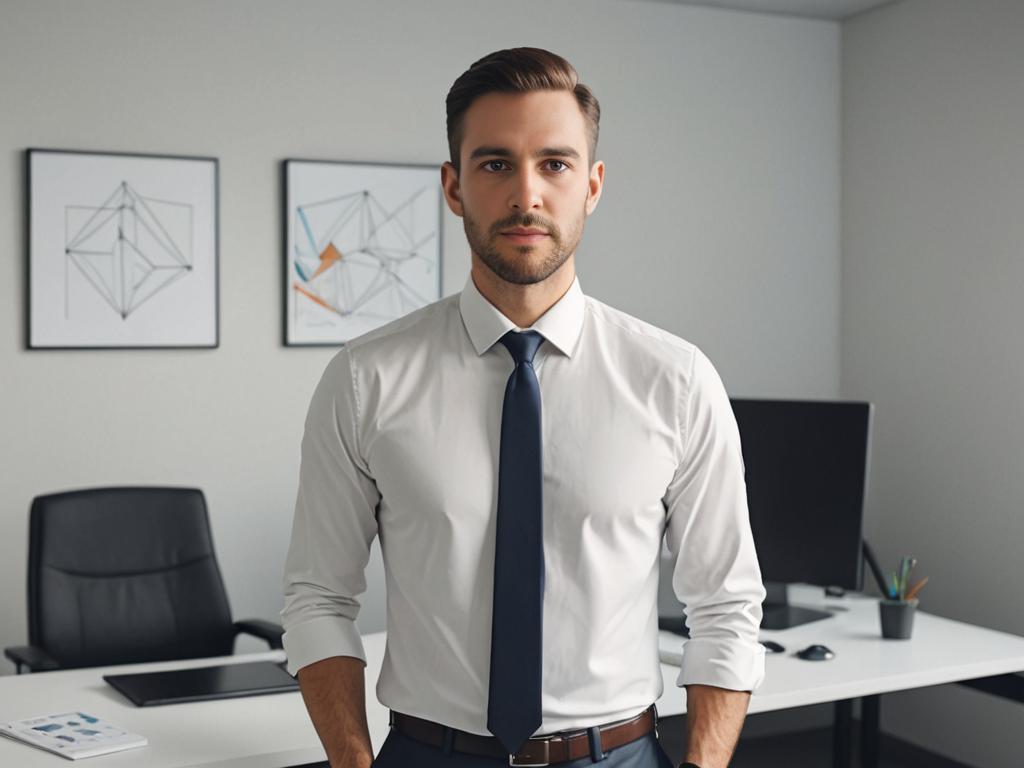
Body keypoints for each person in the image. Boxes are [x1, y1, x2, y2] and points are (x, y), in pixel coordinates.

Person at [281, 47, 766, 768]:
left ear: (593, 185)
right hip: (428, 754)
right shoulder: (364, 380)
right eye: (496, 164)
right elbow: (317, 599)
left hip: (620, 756)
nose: (527, 194)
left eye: (556, 164)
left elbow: (725, 606)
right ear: (453, 187)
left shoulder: (676, 381)